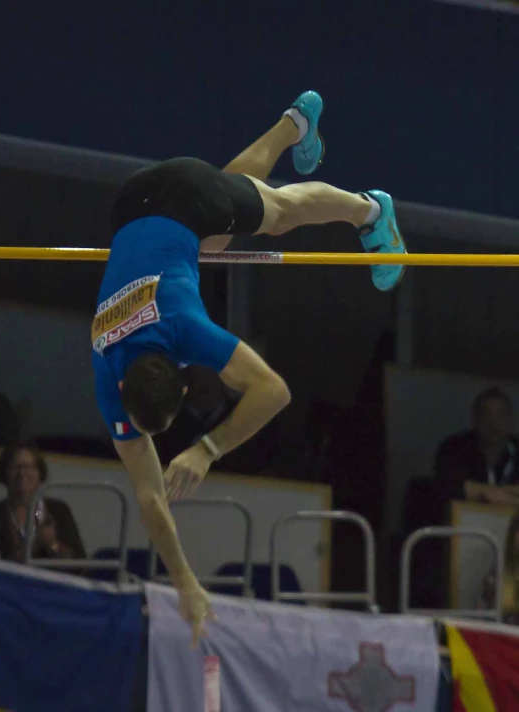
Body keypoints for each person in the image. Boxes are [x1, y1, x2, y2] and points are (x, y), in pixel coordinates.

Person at [92, 90, 407, 646]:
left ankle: (370, 208)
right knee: (227, 213)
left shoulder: (186, 325)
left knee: (280, 214)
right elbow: (148, 498)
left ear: (186, 379)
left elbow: (274, 391)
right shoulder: (105, 353)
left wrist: (206, 449)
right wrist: (185, 583)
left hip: (183, 196)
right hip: (135, 204)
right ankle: (295, 124)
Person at [0, 443, 86, 563]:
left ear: (40, 474)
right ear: (4, 473)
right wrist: (30, 548)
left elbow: (79, 564)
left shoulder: (59, 510)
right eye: (16, 467)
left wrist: (52, 544)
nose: (22, 474)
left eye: (29, 467)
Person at [434, 387, 519, 506]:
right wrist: (489, 493)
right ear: (475, 420)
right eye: (486, 414)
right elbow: (450, 486)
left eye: (500, 414)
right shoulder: (453, 448)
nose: (493, 422)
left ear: (510, 420)